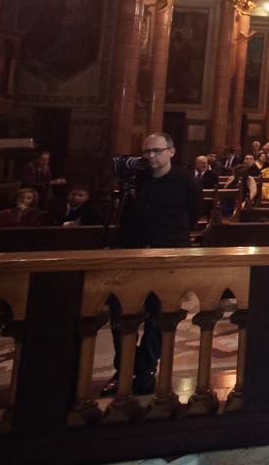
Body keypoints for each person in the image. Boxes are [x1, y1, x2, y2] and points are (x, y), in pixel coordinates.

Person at [106, 132, 204, 396]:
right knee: (120, 313)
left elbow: (194, 214)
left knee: (159, 314)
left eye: (156, 151)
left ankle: (145, 370)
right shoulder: (136, 179)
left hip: (169, 255)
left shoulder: (186, 181)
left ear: (171, 152)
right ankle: (124, 368)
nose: (150, 156)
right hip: (133, 254)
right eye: (146, 151)